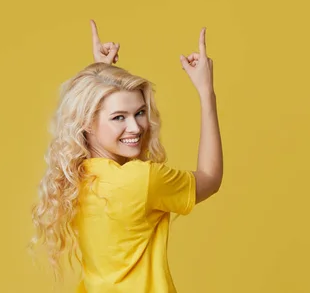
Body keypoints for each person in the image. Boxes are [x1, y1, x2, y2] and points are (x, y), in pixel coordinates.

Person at [29, 20, 223, 293]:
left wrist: (101, 73)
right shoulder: (141, 180)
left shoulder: (75, 178)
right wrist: (206, 92)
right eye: (119, 117)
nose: (136, 127)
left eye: (140, 112)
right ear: (87, 121)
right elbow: (210, 178)